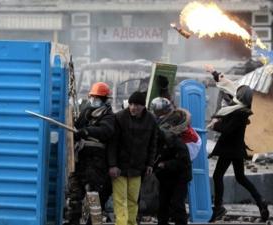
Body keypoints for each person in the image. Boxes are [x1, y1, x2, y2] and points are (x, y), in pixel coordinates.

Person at [205, 66, 269, 222]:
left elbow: (227, 129)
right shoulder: (240, 107)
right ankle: (261, 202)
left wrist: (215, 125)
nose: (233, 96)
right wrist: (214, 73)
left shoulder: (239, 112)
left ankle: (218, 208)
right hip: (236, 148)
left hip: (230, 149)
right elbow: (228, 87)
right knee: (240, 177)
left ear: (240, 98)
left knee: (217, 175)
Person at [66, 82, 115, 225]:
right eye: (93, 97)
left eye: (98, 97)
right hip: (80, 160)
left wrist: (87, 131)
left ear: (105, 99)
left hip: (96, 163)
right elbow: (76, 128)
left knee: (93, 195)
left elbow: (105, 131)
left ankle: (95, 222)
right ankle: (73, 221)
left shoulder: (109, 116)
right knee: (75, 194)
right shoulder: (85, 112)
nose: (94, 100)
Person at [107, 91, 157, 225]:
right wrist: (112, 165)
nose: (133, 107)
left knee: (133, 200)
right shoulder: (120, 117)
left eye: (137, 105)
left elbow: (153, 144)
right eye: (131, 104)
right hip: (120, 168)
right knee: (120, 199)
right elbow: (112, 144)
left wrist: (150, 164)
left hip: (137, 168)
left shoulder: (151, 120)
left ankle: (131, 223)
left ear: (143, 106)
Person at [151, 99, 192, 225]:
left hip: (179, 176)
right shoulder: (159, 135)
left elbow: (183, 162)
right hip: (165, 176)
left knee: (177, 205)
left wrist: (165, 164)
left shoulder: (173, 139)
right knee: (163, 204)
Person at [150, 97, 201, 161]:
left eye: (155, 111)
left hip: (189, 144)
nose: (153, 112)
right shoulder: (169, 114)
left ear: (162, 111)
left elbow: (163, 134)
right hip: (187, 142)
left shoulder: (172, 119)